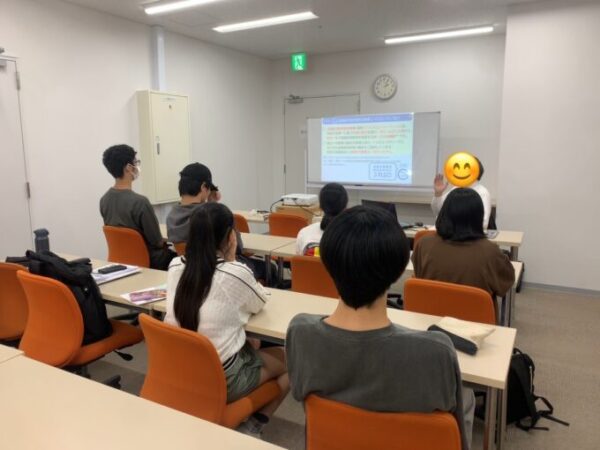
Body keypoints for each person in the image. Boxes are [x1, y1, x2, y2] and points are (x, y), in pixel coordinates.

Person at [286, 205, 474, 450]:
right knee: (467, 397)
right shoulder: (436, 351)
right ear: (398, 270)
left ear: (328, 264)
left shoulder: (300, 332)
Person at [165, 203, 289, 438]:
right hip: (222, 378)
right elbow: (259, 302)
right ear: (231, 236)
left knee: (251, 342)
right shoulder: (234, 272)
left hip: (179, 368)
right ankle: (253, 426)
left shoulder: (174, 265)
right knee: (293, 361)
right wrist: (231, 259)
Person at [166, 162, 272, 282]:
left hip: (191, 271)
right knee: (269, 268)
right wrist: (214, 205)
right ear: (203, 187)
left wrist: (211, 204)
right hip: (220, 270)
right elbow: (237, 247)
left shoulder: (171, 216)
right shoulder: (212, 215)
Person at [414, 187, 514, 298]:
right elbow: (505, 283)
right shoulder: (490, 251)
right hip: (473, 309)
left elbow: (418, 274)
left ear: (444, 213)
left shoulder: (423, 244)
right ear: (478, 217)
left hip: (430, 307)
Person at [100, 144, 175, 270]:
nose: (137, 166)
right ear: (129, 167)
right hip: (150, 261)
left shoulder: (104, 200)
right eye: (136, 162)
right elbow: (157, 241)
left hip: (121, 260)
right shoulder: (140, 202)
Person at [432, 157, 492, 229]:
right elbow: (438, 212)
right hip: (450, 233)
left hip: (468, 234)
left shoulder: (482, 192)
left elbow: (483, 223)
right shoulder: (455, 189)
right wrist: (438, 194)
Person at [295, 183, 348, 255]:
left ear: (320, 207)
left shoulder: (304, 232)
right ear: (345, 207)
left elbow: (299, 258)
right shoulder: (354, 236)